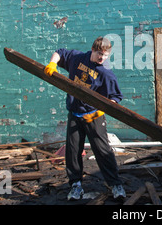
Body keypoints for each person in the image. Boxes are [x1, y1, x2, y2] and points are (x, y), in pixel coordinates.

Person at [44, 37, 126, 201]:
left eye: (106, 55)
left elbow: (116, 97)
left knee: (103, 151)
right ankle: (76, 185)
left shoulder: (106, 74)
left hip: (94, 116)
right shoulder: (77, 59)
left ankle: (115, 184)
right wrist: (52, 64)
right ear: (92, 50)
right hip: (75, 114)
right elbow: (60, 52)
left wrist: (102, 109)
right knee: (73, 151)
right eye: (99, 54)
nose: (102, 58)